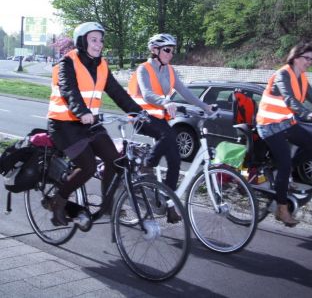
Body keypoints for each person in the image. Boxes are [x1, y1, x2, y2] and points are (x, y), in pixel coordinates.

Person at [47, 22, 144, 226]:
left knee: (115, 160)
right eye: (93, 39)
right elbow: (69, 90)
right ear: (82, 42)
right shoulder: (67, 63)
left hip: (89, 124)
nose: (99, 44)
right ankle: (58, 201)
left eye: (100, 40)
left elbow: (118, 93)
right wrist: (81, 111)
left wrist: (139, 112)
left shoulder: (101, 65)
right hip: (64, 125)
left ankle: (107, 207)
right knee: (88, 167)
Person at [128, 33, 212, 223]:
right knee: (169, 134)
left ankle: (169, 204)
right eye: (167, 50)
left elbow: (185, 92)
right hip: (140, 117)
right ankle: (146, 166)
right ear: (154, 50)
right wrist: (165, 102)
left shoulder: (170, 71)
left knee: (175, 160)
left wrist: (205, 106)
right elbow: (148, 94)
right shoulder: (144, 69)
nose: (170, 54)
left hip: (158, 118)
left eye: (172, 50)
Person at [256, 43, 312, 227]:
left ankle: (283, 173)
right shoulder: (283, 75)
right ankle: (281, 209)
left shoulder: (302, 79)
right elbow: (290, 100)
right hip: (268, 125)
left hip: (285, 123)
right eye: (307, 58)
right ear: (295, 58)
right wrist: (307, 114)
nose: (310, 61)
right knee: (284, 164)